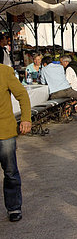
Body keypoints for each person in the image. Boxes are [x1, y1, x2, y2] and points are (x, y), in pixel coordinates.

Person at [0, 63, 32, 222]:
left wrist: (26, 118)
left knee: (10, 171)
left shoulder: (4, 71)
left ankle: (13, 207)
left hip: (4, 131)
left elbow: (22, 95)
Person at [40, 56, 77, 121]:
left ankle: (55, 116)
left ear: (44, 64)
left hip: (55, 93)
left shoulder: (44, 69)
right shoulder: (60, 67)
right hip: (67, 90)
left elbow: (43, 82)